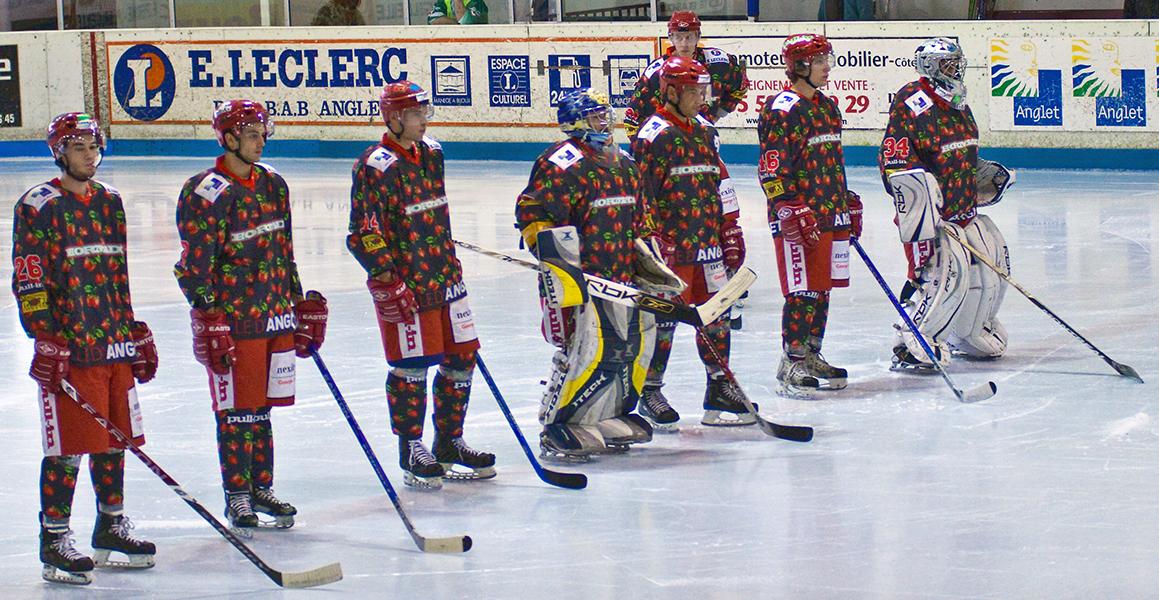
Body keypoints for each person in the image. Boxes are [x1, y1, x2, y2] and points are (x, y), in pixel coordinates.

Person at [13, 112, 158, 585]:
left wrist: (132, 329)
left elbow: (118, 273)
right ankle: (54, 537)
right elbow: (29, 277)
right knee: (70, 447)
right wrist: (44, 336)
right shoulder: (39, 205)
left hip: (112, 341)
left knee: (115, 440)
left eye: (94, 147)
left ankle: (111, 524)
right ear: (59, 152)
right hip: (71, 347)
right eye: (79, 147)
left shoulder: (110, 201)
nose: (89, 156)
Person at [174, 100, 329, 532]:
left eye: (263, 134)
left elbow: (285, 251)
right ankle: (237, 495)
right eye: (251, 135)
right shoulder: (205, 192)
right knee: (236, 412)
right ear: (228, 139)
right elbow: (193, 267)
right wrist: (210, 317)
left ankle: (261, 487)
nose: (260, 142)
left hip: (274, 316)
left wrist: (296, 303)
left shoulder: (274, 183)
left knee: (262, 410)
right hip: (236, 321)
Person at [515, 88, 683, 460]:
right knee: (581, 350)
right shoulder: (561, 162)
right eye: (594, 116)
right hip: (581, 282)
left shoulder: (624, 163)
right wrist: (558, 265)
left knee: (625, 349)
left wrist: (650, 264)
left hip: (621, 278)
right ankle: (558, 422)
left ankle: (607, 414)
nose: (604, 123)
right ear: (574, 122)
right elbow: (533, 213)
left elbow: (640, 221)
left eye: (605, 114)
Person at [346, 81, 494, 489]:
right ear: (393, 118)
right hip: (407, 284)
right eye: (415, 113)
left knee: (462, 358)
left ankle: (449, 441)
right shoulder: (374, 166)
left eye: (425, 112)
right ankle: (411, 447)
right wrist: (387, 278)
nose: (424, 120)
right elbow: (362, 233)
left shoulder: (432, 152)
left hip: (445, 276)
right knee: (412, 366)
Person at [630, 56, 754, 428]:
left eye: (704, 90)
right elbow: (641, 195)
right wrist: (651, 241)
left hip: (707, 242)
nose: (703, 98)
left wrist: (728, 228)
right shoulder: (653, 135)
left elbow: (716, 181)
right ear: (671, 92)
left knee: (717, 313)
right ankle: (649, 390)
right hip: (671, 248)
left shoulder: (705, 131)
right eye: (694, 91)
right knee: (663, 320)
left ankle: (719, 387)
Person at [878, 37, 1014, 371]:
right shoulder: (911, 100)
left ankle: (969, 331)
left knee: (988, 273)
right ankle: (910, 340)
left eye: (956, 63)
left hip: (964, 209)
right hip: (933, 218)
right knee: (939, 276)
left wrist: (984, 174)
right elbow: (895, 159)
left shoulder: (957, 101)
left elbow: (962, 151)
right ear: (930, 66)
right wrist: (922, 201)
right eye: (947, 64)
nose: (955, 69)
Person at [757, 33, 859, 397]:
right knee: (802, 291)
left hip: (829, 213)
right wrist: (788, 206)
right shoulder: (782, 109)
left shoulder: (827, 107)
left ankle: (812, 354)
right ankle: (792, 361)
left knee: (822, 288)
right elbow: (770, 169)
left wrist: (845, 200)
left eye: (826, 60)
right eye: (819, 61)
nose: (826, 67)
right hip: (798, 218)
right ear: (799, 66)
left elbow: (828, 162)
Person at [624, 10, 749, 136]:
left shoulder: (719, 62)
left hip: (704, 138)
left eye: (689, 37)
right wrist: (652, 144)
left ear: (698, 36)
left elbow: (741, 85)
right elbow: (632, 120)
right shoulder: (655, 73)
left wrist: (717, 115)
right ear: (671, 38)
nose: (684, 44)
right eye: (678, 37)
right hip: (670, 141)